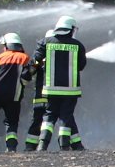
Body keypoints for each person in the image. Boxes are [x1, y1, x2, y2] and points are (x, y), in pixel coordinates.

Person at [33, 15, 87, 151]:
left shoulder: (46, 42)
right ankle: (64, 145)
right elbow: (81, 65)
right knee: (65, 116)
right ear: (70, 29)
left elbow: (36, 60)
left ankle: (42, 144)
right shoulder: (78, 45)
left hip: (50, 89)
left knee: (49, 115)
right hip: (70, 90)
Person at [23, 28, 53, 151]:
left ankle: (30, 146)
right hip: (53, 95)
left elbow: (32, 67)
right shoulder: (61, 57)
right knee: (56, 119)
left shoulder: (39, 57)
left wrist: (25, 77)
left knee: (37, 120)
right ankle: (43, 145)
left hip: (40, 94)